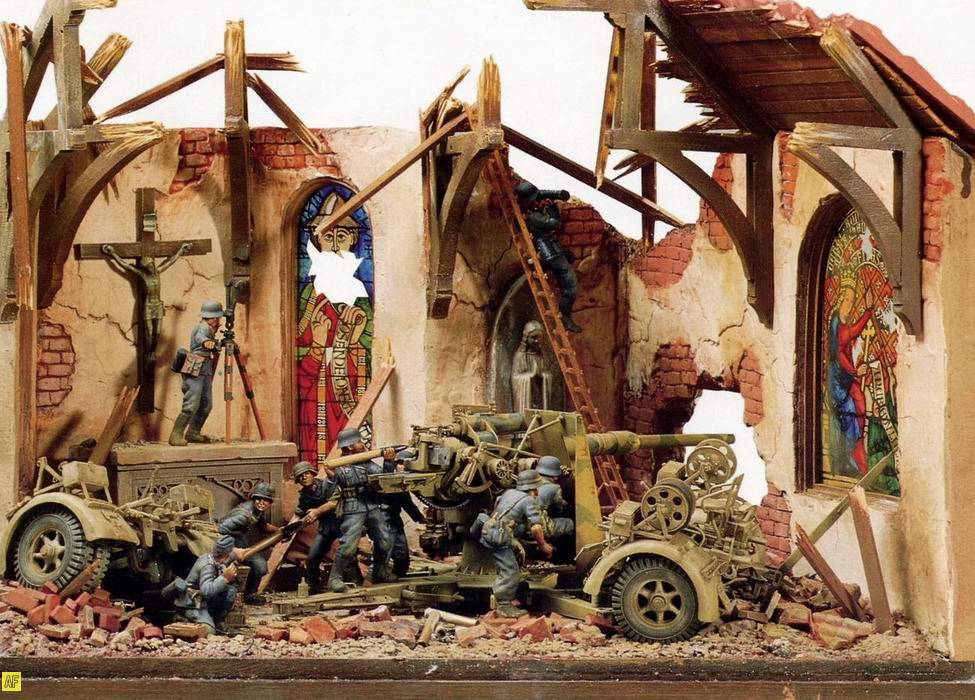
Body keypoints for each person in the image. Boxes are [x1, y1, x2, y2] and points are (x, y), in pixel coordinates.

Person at [296, 191, 373, 465]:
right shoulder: (309, 297)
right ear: (318, 241)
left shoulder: (360, 295)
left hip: (348, 393)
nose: (336, 245)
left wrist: (353, 342)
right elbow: (296, 350)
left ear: (353, 241)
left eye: (343, 236)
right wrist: (317, 347)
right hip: (315, 396)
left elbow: (369, 347)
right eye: (329, 237)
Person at [326, 427, 396, 593]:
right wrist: (330, 478)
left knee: (385, 541)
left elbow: (384, 479)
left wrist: (388, 462)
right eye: (358, 441)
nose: (362, 443)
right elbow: (327, 493)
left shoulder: (366, 463)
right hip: (353, 508)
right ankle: (334, 578)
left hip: (371, 505)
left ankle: (379, 571)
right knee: (348, 546)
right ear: (350, 446)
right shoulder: (339, 466)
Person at [477, 469, 554, 618]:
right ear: (534, 489)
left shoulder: (508, 493)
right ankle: (504, 605)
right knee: (510, 570)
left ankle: (513, 589)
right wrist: (543, 545)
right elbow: (536, 527)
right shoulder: (528, 500)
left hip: (490, 530)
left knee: (518, 556)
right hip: (500, 538)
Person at [101, 242, 193, 362]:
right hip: (148, 306)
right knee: (149, 332)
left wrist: (181, 250)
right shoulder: (142, 275)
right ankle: (148, 353)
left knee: (158, 332)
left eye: (151, 265)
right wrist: (113, 253)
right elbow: (124, 266)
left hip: (158, 305)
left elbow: (171, 261)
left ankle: (152, 352)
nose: (150, 268)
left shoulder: (158, 272)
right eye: (148, 267)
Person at [514, 181, 581, 333]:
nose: (538, 199)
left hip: (553, 247)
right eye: (535, 199)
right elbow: (555, 224)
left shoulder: (531, 210)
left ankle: (549, 268)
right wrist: (552, 207)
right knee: (570, 284)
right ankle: (566, 319)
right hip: (550, 251)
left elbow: (541, 195)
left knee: (570, 257)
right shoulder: (533, 217)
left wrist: (555, 195)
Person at [169, 300, 223, 446]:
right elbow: (200, 338)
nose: (219, 322)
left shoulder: (210, 329)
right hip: (194, 368)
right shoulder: (202, 327)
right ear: (213, 318)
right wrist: (207, 342)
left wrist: (216, 344)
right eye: (218, 319)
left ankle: (193, 432)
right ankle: (176, 434)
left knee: (206, 404)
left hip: (205, 369)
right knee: (191, 404)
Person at [217, 481, 279, 604]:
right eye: (258, 499)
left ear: (270, 503)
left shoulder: (257, 511)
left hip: (240, 541)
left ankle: (250, 595)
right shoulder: (243, 515)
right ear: (253, 499)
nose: (261, 503)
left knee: (260, 566)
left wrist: (280, 530)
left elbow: (263, 526)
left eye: (266, 500)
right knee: (226, 572)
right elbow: (219, 530)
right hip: (226, 544)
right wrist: (231, 551)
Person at [173, 534, 238, 636]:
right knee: (209, 631)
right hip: (193, 603)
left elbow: (234, 556)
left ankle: (218, 621)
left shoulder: (217, 558)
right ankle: (183, 617)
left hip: (205, 600)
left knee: (230, 591)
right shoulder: (208, 565)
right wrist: (225, 578)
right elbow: (206, 591)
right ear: (226, 554)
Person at [292, 461, 340, 594]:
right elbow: (301, 511)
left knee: (347, 555)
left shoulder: (326, 485)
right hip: (326, 527)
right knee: (313, 557)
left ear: (313, 474)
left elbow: (334, 503)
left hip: (341, 523)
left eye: (306, 473)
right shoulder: (304, 495)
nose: (304, 477)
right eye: (300, 476)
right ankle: (315, 586)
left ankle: (356, 583)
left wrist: (317, 512)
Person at [383, 449, 426, 577]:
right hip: (383, 518)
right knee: (384, 552)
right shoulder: (387, 476)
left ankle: (397, 575)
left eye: (405, 464)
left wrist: (419, 517)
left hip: (395, 519)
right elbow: (387, 474)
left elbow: (406, 502)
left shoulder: (403, 482)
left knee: (402, 557)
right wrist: (388, 462)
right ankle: (373, 578)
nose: (402, 467)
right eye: (400, 463)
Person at [535, 456, 574, 540]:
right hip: (537, 525)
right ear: (555, 477)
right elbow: (560, 508)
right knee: (570, 523)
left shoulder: (528, 480)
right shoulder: (555, 488)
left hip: (521, 523)